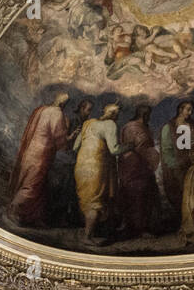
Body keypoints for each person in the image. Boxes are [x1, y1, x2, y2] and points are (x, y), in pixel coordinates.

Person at [9, 92, 69, 226]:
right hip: (41, 154)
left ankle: (30, 216)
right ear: (63, 103)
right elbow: (59, 136)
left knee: (29, 181)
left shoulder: (41, 110)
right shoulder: (57, 113)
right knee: (32, 185)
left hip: (30, 150)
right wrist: (68, 140)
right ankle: (13, 210)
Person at [73, 102, 126, 241]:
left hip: (81, 166)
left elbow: (75, 147)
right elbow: (114, 149)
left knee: (86, 199)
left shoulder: (87, 123)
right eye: (118, 114)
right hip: (97, 167)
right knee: (95, 202)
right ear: (115, 115)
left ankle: (89, 230)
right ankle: (87, 236)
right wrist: (130, 146)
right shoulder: (110, 125)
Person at [118, 104, 160, 236]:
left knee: (139, 195)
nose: (149, 118)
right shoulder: (135, 127)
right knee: (139, 196)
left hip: (135, 166)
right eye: (148, 115)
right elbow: (141, 147)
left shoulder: (131, 126)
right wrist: (152, 159)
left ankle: (134, 226)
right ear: (144, 115)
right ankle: (139, 229)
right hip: (136, 166)